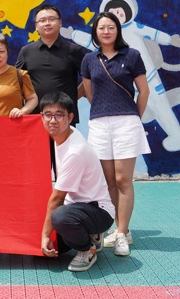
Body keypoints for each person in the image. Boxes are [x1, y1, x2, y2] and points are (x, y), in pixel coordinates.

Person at [80, 11, 150, 257]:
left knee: (123, 180)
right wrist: (104, 110)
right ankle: (120, 228)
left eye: (111, 27)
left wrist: (133, 117)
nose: (106, 31)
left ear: (118, 30)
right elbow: (90, 93)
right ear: (95, 32)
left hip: (126, 123)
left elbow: (143, 91)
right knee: (108, 180)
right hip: (99, 124)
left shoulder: (132, 56)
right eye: (101, 28)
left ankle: (121, 233)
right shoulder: (89, 59)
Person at [39, 92, 114, 272]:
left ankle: (87, 249)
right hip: (77, 207)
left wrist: (45, 236)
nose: (53, 120)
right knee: (46, 247)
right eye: (48, 114)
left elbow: (57, 199)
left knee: (59, 218)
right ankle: (90, 234)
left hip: (99, 211)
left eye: (59, 115)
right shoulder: (64, 133)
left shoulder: (75, 151)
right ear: (41, 116)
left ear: (70, 117)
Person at [16, 4, 90, 172]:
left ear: (60, 22)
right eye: (42, 20)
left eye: (51, 19)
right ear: (36, 26)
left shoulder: (74, 50)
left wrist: (72, 97)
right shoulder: (26, 51)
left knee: (65, 169)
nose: (47, 23)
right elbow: (17, 82)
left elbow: (90, 78)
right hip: (36, 119)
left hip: (64, 118)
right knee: (37, 169)